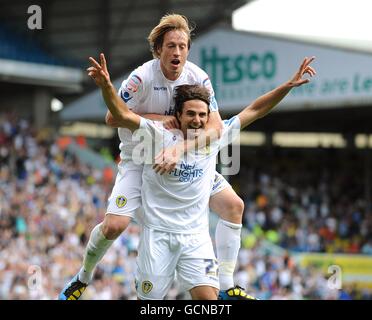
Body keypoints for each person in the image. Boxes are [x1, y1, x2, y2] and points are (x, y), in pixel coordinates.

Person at [80, 54, 315, 300]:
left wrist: (287, 86)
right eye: (191, 114)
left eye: (203, 115)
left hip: (196, 239)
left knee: (208, 301)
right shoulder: (158, 135)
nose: (198, 120)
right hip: (158, 237)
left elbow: (255, 110)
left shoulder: (214, 137)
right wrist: (106, 86)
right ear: (177, 115)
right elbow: (122, 115)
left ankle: (227, 285)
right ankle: (83, 277)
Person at [59, 13, 252, 300]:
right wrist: (162, 120)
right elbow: (113, 118)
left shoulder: (199, 77)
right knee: (114, 226)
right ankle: (82, 277)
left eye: (182, 46)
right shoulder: (142, 77)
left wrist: (181, 147)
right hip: (140, 159)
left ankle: (226, 286)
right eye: (171, 46)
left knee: (234, 206)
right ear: (158, 49)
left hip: (185, 159)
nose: (177, 52)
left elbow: (215, 126)